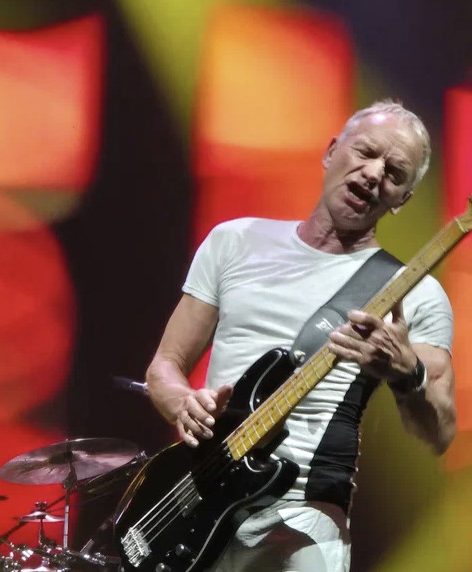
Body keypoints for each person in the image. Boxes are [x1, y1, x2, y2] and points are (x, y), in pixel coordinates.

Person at [146, 100, 456, 572]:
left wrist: (408, 372)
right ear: (331, 152)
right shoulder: (235, 241)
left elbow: (439, 430)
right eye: (365, 152)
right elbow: (165, 366)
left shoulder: (413, 293)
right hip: (202, 500)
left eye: (395, 173)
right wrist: (181, 402)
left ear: (403, 200)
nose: (374, 173)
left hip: (304, 515)